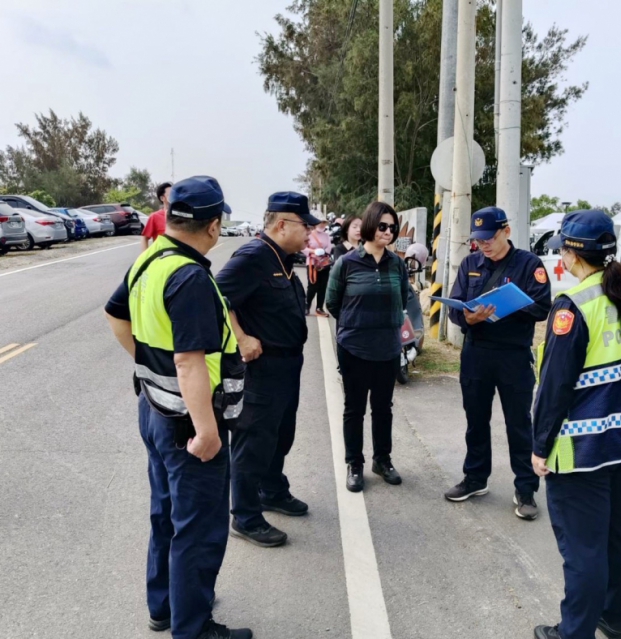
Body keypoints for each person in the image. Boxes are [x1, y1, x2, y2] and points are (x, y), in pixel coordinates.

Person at [104, 176, 252, 639]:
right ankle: (193, 627)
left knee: (166, 514)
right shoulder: (189, 276)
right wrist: (207, 431)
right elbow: (189, 362)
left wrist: (150, 364)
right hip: (188, 423)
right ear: (213, 226)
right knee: (198, 528)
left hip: (155, 411)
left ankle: (166, 605)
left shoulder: (150, 259)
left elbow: (115, 314)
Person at [531, 210, 621, 639]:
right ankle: (614, 616)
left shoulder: (574, 306)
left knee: (584, 547)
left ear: (572, 255)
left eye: (563, 252)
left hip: (583, 446)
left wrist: (540, 446)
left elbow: (555, 386)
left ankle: (575, 632)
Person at [215, 191, 319, 548]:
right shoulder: (253, 257)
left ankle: (271, 490)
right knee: (254, 441)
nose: (310, 232)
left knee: (280, 434)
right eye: (306, 226)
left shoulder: (284, 258)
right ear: (282, 225)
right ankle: (245, 516)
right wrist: (241, 337)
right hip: (262, 368)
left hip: (288, 364)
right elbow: (217, 297)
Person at [444, 206, 551, 520]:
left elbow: (542, 306)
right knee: (476, 421)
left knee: (519, 425)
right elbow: (454, 307)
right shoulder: (470, 263)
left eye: (489, 238)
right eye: (478, 240)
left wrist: (508, 307)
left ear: (506, 231)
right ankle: (475, 478)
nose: (483, 245)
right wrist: (468, 317)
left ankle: (526, 489)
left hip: (513, 355)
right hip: (476, 353)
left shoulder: (529, 264)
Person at [325, 202, 410, 492]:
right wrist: (357, 323)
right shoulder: (347, 263)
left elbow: (402, 299)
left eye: (392, 227)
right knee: (354, 408)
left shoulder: (397, 264)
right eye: (383, 226)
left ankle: (382, 460)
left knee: (383, 408)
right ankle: (354, 464)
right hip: (354, 348)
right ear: (371, 225)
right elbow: (332, 303)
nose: (388, 231)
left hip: (388, 348)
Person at [303, 218, 333, 317]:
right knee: (312, 285)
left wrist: (324, 252)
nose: (322, 225)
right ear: (315, 224)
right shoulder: (309, 234)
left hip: (324, 263)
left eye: (324, 223)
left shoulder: (326, 235)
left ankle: (319, 308)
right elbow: (303, 247)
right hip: (312, 263)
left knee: (323, 286)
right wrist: (313, 252)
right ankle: (307, 306)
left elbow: (329, 247)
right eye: (320, 223)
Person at [140, 182, 172, 253]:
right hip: (162, 257)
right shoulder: (155, 217)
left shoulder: (181, 216)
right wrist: (146, 256)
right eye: (171, 195)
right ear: (162, 198)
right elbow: (144, 238)